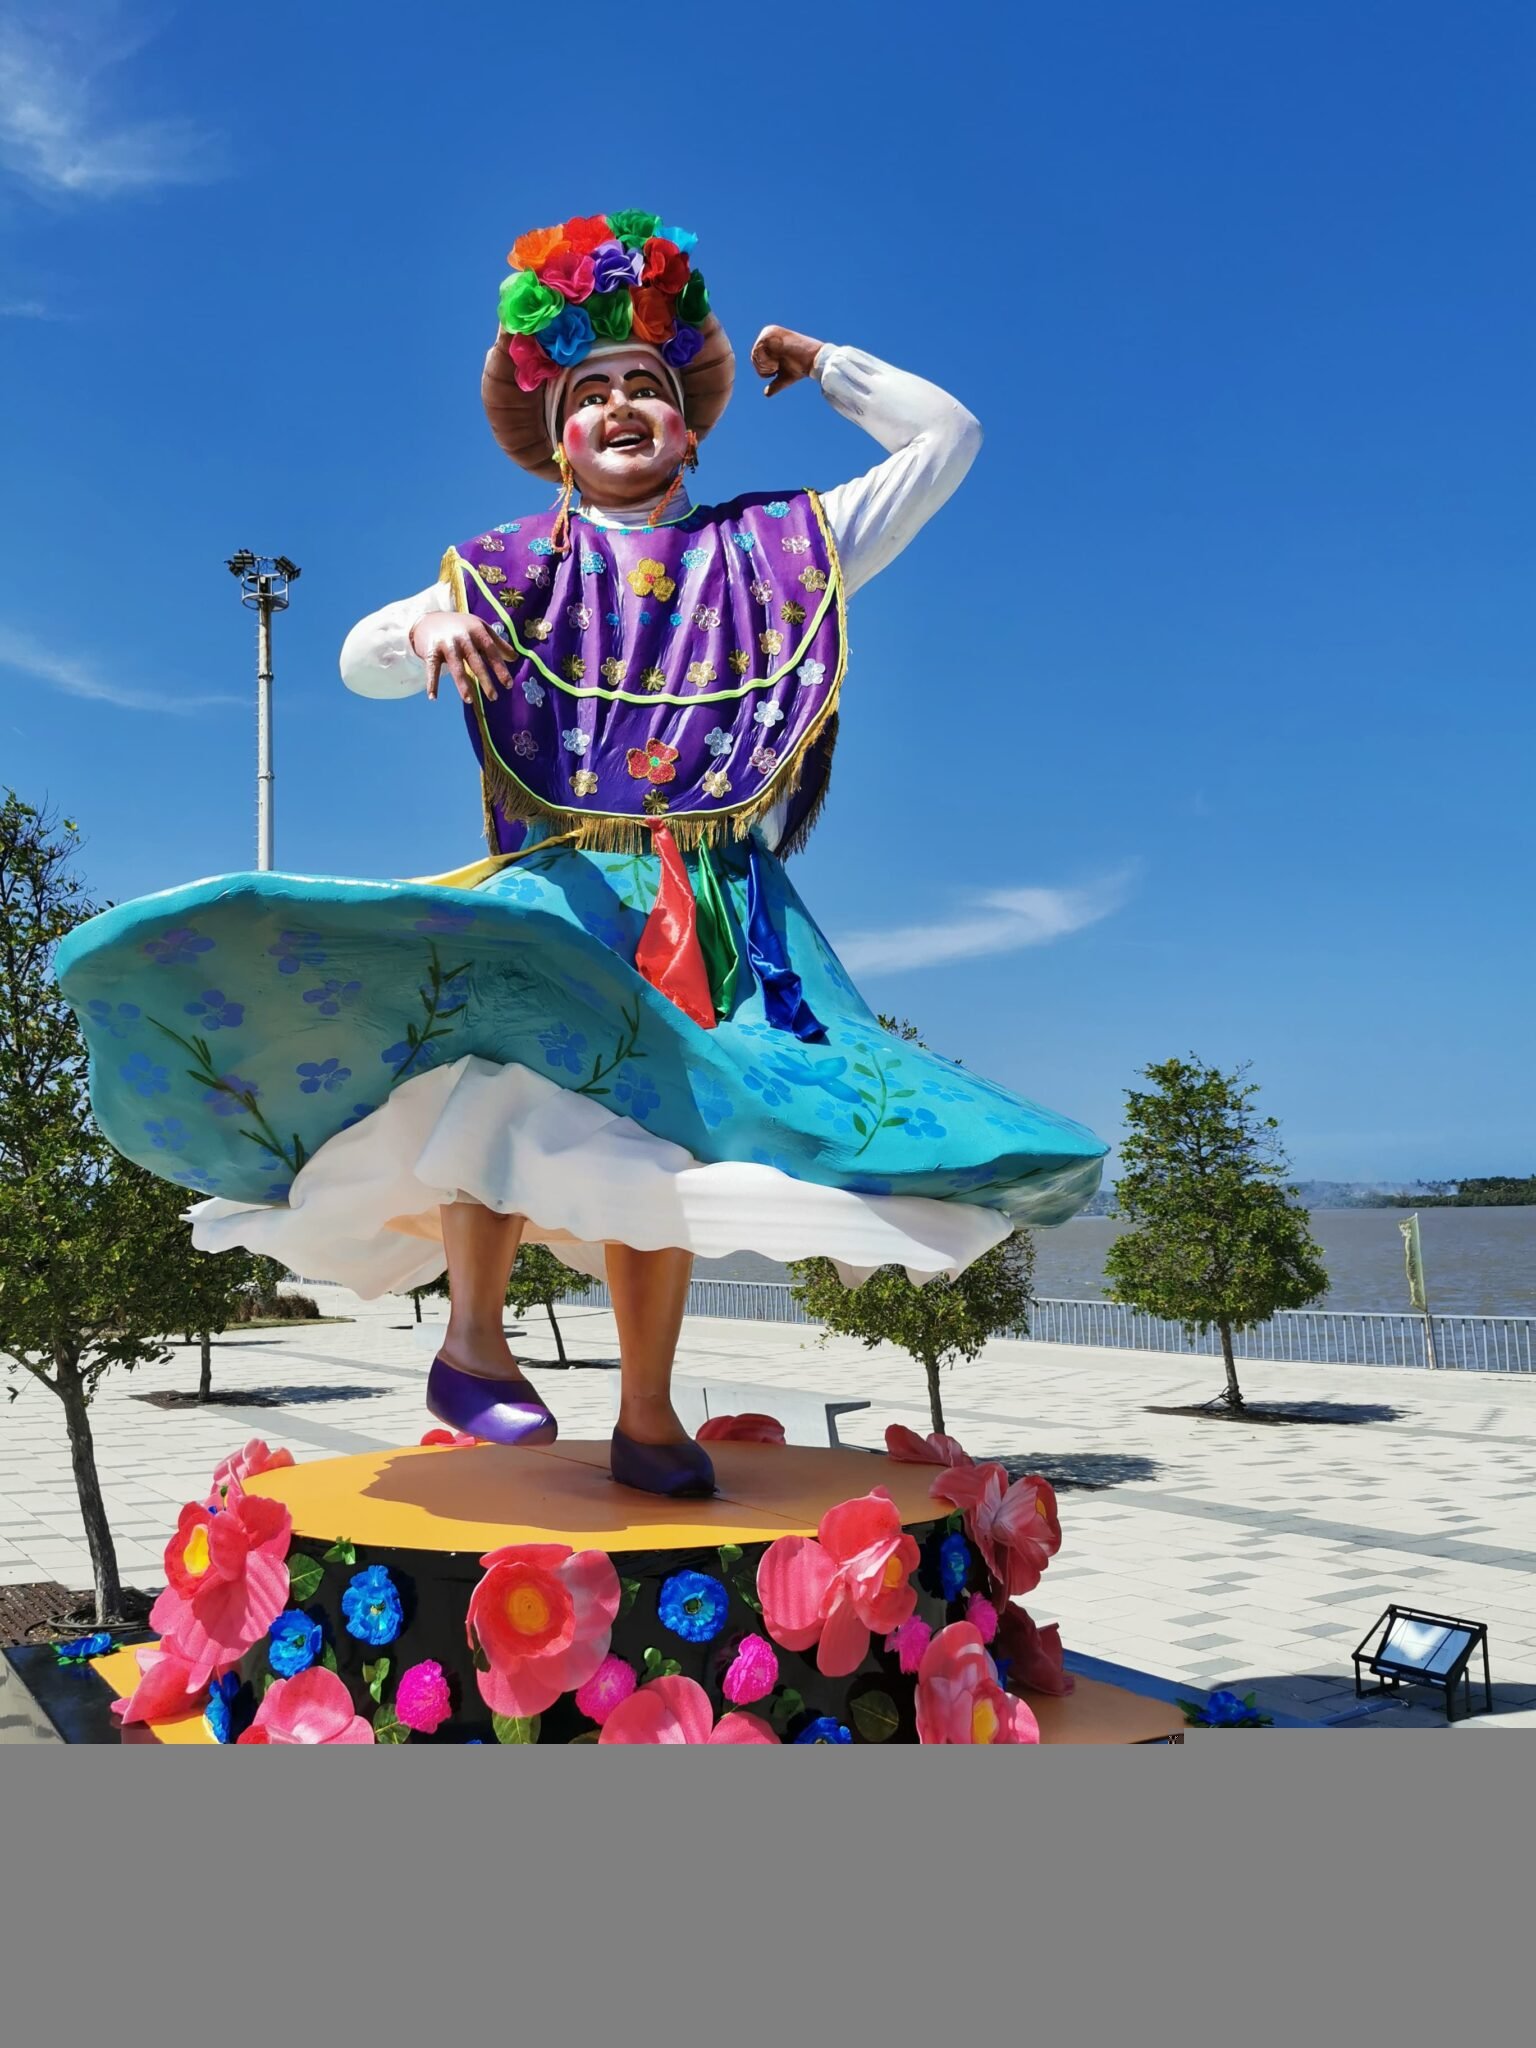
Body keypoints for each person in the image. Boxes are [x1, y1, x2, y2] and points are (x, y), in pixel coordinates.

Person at [57, 208, 1106, 1498]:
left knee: (659, 1151)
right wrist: (426, 629)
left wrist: (825, 363)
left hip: (720, 907)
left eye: (645, 386)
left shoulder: (775, 548)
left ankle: (647, 1416)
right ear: (556, 436)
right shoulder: (505, 569)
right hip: (566, 886)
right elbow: (357, 658)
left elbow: (947, 438)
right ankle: (471, 1341)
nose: (619, 406)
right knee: (504, 1080)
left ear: (690, 426)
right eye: (590, 391)